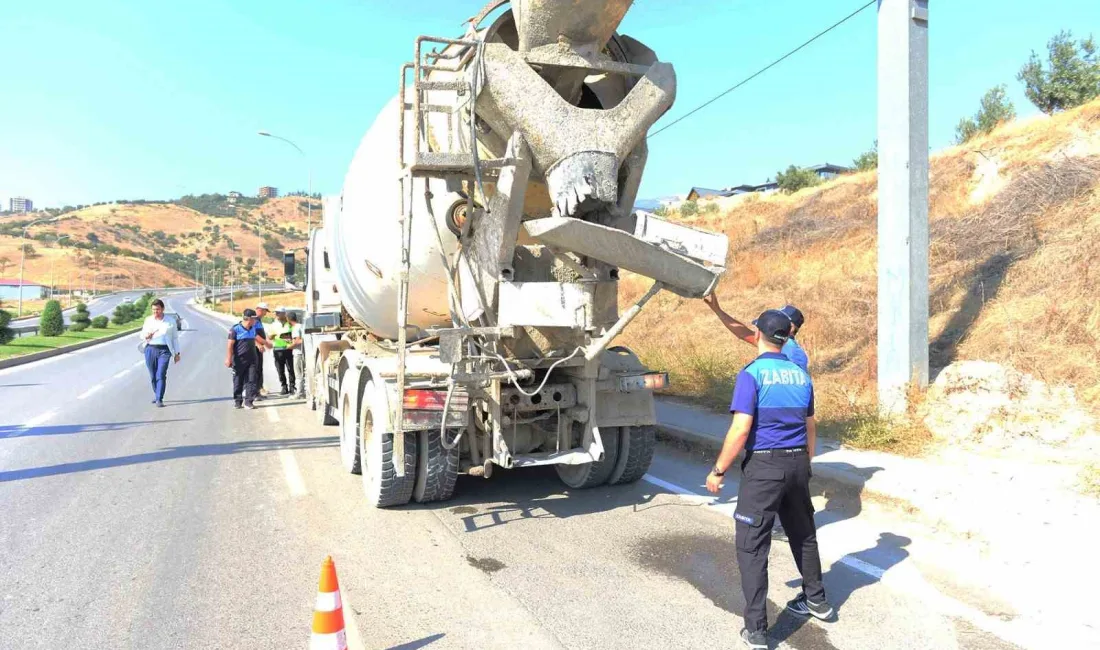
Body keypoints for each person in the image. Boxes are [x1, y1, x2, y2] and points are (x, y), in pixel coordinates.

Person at [704, 309, 832, 649]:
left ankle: (757, 630)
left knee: (752, 545)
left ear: (758, 333)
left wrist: (718, 470)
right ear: (786, 336)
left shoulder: (752, 374)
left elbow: (741, 429)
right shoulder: (800, 374)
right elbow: (810, 425)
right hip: (797, 463)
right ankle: (817, 600)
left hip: (765, 468)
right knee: (803, 535)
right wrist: (806, 461)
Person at [703, 295, 810, 371]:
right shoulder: (776, 343)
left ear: (790, 328)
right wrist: (718, 310)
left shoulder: (792, 351)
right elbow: (743, 333)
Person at [140, 298, 181, 407]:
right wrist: (146, 335)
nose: (155, 312)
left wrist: (177, 353)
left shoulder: (170, 321)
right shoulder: (148, 320)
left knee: (161, 374)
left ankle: (159, 398)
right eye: (153, 310)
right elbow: (141, 335)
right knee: (153, 375)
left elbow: (175, 338)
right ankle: (157, 393)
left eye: (157, 309)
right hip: (150, 349)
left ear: (162, 309)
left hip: (164, 350)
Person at [226, 308, 267, 409]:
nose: (255, 321)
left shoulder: (252, 329)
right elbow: (230, 345)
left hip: (252, 359)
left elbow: (253, 339)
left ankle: (249, 401)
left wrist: (258, 345)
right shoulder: (235, 330)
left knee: (252, 380)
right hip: (239, 360)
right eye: (254, 319)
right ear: (248, 319)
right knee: (238, 381)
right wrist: (228, 358)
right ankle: (238, 401)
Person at [270, 306, 296, 396]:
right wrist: (272, 335)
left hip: (288, 349)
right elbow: (269, 337)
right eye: (276, 312)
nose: (276, 314)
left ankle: (292, 387)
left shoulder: (290, 324)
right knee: (280, 370)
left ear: (284, 314)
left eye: (278, 312)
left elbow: (294, 335)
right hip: (277, 349)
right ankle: (284, 387)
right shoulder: (273, 324)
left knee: (291, 369)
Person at [254, 302, 271, 398]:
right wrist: (259, 344)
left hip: (259, 348)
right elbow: (252, 334)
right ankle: (255, 391)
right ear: (260, 310)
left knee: (259, 368)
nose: (265, 314)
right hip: (255, 348)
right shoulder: (254, 320)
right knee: (256, 369)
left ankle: (259, 389)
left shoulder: (258, 320)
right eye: (265, 311)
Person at [288, 311, 306, 399]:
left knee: (299, 374)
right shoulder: (301, 325)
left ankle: (299, 393)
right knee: (303, 373)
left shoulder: (295, 328)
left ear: (288, 319)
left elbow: (298, 341)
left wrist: (288, 346)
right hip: (304, 352)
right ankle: (303, 391)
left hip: (298, 353)